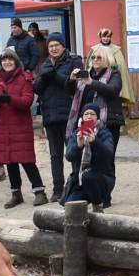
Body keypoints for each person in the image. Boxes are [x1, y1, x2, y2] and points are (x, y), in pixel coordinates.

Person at [0, 51, 46, 208]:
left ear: (16, 61)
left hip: (20, 125)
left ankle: (39, 192)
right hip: (2, 125)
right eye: (4, 59)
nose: (7, 62)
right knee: (9, 161)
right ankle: (16, 194)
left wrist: (9, 99)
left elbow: (27, 101)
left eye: (10, 59)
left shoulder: (24, 78)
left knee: (26, 160)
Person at [31, 35, 81, 202]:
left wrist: (55, 76)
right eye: (51, 46)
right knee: (55, 156)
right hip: (51, 116)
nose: (53, 48)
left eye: (57, 45)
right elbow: (36, 88)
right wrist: (45, 76)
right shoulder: (45, 64)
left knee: (73, 152)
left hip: (69, 115)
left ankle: (76, 186)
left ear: (63, 46)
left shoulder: (73, 61)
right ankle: (57, 189)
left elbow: (74, 87)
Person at [63, 107, 115, 209]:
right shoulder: (76, 134)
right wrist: (78, 146)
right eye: (86, 114)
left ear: (98, 118)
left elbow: (108, 153)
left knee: (88, 177)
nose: (89, 116)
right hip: (80, 180)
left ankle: (97, 206)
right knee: (71, 207)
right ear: (82, 117)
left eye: (92, 114)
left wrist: (95, 142)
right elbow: (69, 156)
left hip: (101, 178)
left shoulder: (104, 133)